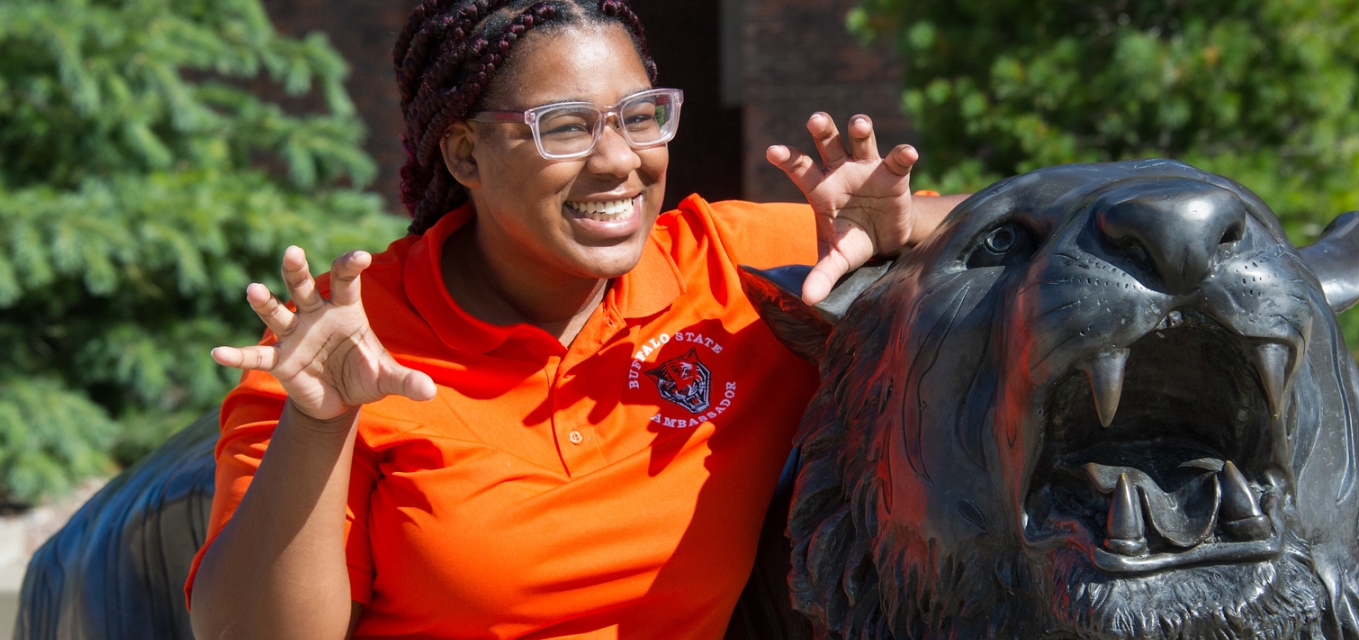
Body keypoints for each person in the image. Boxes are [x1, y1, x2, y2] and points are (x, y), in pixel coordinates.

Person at [186, 1, 964, 638]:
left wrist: (901, 229)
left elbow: (1047, 222)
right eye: (564, 126)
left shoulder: (727, 267)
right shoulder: (351, 340)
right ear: (464, 154)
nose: (619, 159)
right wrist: (321, 424)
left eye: (640, 116)